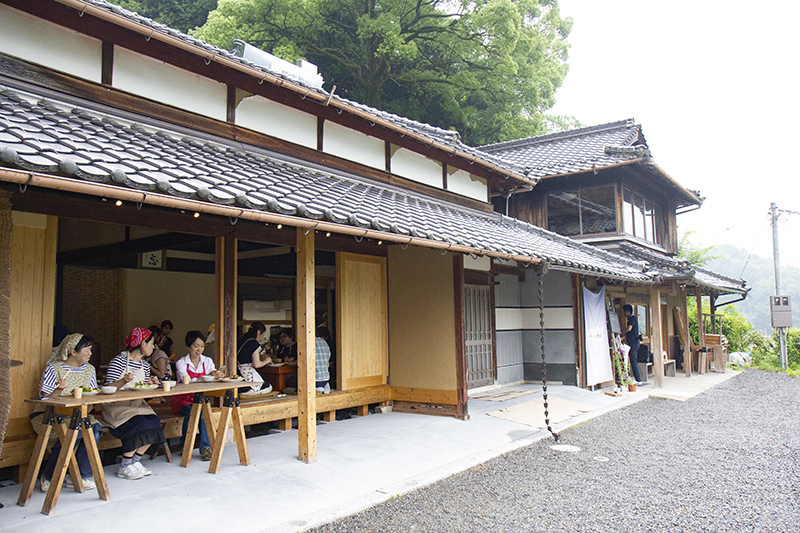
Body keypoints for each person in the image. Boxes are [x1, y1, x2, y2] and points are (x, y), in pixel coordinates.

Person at [31, 333, 103, 493]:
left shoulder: (89, 370)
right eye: (87, 350)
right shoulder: (54, 367)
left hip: (78, 415)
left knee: (95, 429)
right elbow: (45, 398)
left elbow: (91, 395)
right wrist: (60, 389)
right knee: (74, 432)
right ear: (73, 351)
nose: (91, 354)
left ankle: (78, 475)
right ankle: (48, 476)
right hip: (49, 416)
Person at [102, 327, 167, 480]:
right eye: (151, 343)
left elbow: (142, 391)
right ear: (142, 344)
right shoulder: (118, 361)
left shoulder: (144, 365)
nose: (153, 347)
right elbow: (107, 389)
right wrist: (123, 381)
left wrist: (150, 383)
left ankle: (135, 461)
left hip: (137, 405)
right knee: (138, 424)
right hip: (117, 406)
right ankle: (125, 465)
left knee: (154, 422)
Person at [171, 330, 222, 461]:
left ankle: (204, 447)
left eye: (202, 346)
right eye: (196, 346)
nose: (199, 349)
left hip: (200, 399)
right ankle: (186, 445)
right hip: (183, 400)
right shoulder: (181, 363)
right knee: (193, 411)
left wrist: (217, 375)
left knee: (202, 411)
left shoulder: (207, 361)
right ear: (188, 347)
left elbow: (212, 376)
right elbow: (186, 380)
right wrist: (207, 377)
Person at [236, 322, 272, 394]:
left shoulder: (240, 340)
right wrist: (267, 361)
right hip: (246, 374)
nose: (261, 337)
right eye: (263, 334)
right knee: (268, 386)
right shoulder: (254, 343)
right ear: (258, 332)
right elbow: (257, 364)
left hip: (237, 374)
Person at [623, 304, 642, 384]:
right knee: (631, 360)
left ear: (627, 311)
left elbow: (629, 329)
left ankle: (638, 379)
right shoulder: (630, 319)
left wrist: (621, 332)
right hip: (631, 342)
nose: (624, 313)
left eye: (624, 311)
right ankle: (631, 377)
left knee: (633, 360)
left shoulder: (632, 318)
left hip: (634, 343)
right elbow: (629, 333)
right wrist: (622, 337)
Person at [315, 326, 332, 394]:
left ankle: (318, 388)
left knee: (290, 380)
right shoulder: (324, 342)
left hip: (313, 380)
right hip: (325, 379)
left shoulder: (308, 342)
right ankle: (324, 387)